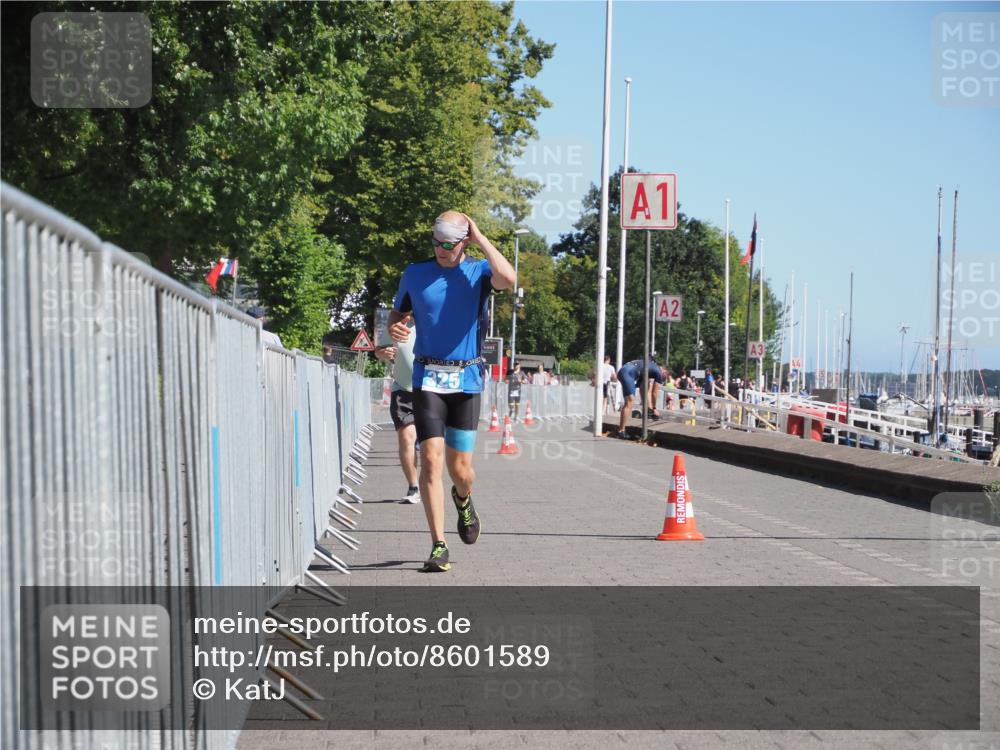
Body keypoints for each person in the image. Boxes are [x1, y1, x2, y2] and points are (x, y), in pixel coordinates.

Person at [389, 211, 516, 573]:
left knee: (462, 471)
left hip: (466, 380)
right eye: (437, 243)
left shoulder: (478, 273)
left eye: (450, 244)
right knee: (430, 460)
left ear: (464, 241)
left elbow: (508, 277)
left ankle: (463, 499)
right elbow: (397, 315)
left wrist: (481, 237)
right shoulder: (415, 273)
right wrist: (396, 329)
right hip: (427, 375)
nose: (441, 250)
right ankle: (438, 545)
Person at [374, 317, 420, 504]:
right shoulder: (398, 324)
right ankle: (413, 487)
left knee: (432, 447)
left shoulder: (437, 321)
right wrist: (383, 353)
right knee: (406, 437)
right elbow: (379, 351)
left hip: (433, 392)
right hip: (403, 390)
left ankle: (432, 483)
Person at [615, 358, 665, 435]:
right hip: (628, 373)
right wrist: (654, 408)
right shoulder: (659, 371)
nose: (663, 378)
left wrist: (647, 408)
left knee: (630, 400)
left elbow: (643, 389)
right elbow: (654, 393)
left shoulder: (646, 367)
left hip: (624, 371)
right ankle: (621, 431)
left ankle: (648, 410)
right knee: (630, 402)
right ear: (665, 371)